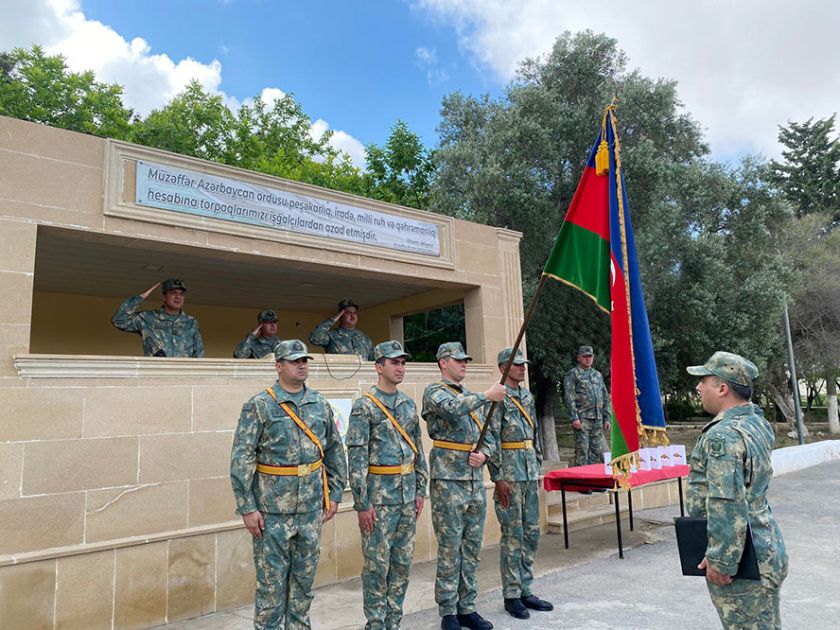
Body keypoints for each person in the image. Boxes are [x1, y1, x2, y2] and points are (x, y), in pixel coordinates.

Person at [230, 339, 347, 630]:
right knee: (271, 589)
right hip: (272, 514)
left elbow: (333, 451)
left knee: (303, 585)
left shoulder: (319, 403)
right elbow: (241, 458)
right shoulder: (260, 405)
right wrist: (247, 507)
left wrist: (334, 494)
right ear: (278, 366)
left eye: (304, 360)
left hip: (310, 512)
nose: (301, 365)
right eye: (295, 361)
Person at [685, 351, 788, 629]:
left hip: (744, 557)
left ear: (722, 388)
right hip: (764, 542)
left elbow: (726, 500)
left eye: (703, 380)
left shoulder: (723, 435)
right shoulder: (756, 423)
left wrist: (722, 559)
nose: (698, 387)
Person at [422, 342, 506, 630]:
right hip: (448, 482)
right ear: (443, 363)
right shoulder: (434, 392)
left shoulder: (472, 398)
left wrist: (485, 454)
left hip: (473, 482)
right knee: (450, 547)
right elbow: (453, 410)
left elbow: (490, 436)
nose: (464, 364)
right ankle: (448, 611)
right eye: (458, 360)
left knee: (471, 548)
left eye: (465, 360)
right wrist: (487, 395)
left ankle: (467, 606)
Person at [347, 340, 429, 630]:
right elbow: (356, 459)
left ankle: (394, 621)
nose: (400, 368)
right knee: (376, 567)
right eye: (394, 362)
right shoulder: (364, 407)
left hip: (407, 498)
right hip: (378, 501)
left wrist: (421, 489)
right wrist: (362, 503)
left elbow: (418, 449)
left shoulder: (407, 403)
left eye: (403, 362)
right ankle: (376, 623)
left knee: (401, 565)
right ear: (378, 366)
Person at [488, 347, 553, 620]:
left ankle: (526, 588)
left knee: (531, 534)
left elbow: (533, 435)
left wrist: (537, 466)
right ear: (503, 368)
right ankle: (512, 595)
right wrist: (498, 476)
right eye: (516, 365)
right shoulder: (498, 397)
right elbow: (491, 438)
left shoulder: (526, 396)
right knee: (513, 537)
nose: (522, 368)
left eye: (523, 364)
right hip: (510, 477)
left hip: (528, 473)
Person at [111, 278, 204, 357]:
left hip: (183, 376)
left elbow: (199, 354)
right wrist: (139, 298)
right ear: (164, 297)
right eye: (173, 293)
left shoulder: (191, 322)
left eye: (181, 294)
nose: (178, 297)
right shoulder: (147, 318)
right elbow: (119, 320)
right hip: (155, 374)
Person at [563, 345, 611, 468]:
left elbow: (605, 396)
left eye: (590, 356)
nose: (588, 359)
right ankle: (582, 482)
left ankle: (593, 481)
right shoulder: (573, 374)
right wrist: (574, 417)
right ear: (579, 358)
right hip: (582, 418)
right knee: (582, 451)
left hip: (597, 418)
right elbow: (569, 397)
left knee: (595, 450)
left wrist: (607, 418)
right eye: (585, 356)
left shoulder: (597, 375)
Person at [309, 298, 375, 360]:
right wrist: (333, 319)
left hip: (363, 372)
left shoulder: (364, 338)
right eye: (348, 313)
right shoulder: (332, 335)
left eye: (354, 313)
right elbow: (314, 338)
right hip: (339, 371)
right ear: (340, 316)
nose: (352, 315)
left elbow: (372, 361)